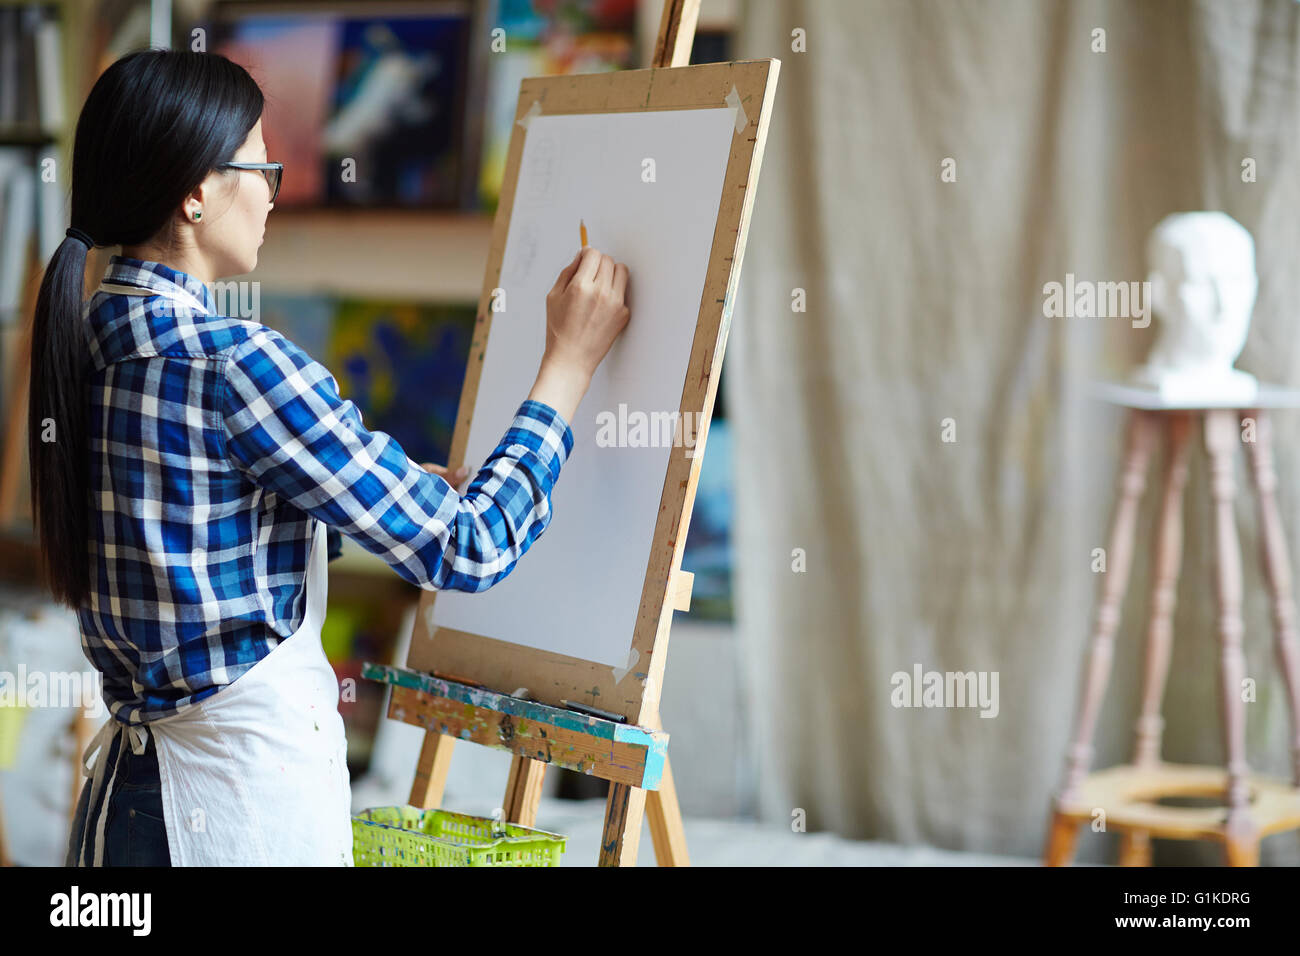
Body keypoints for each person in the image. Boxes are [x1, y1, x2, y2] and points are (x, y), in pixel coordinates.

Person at [28, 49, 630, 866]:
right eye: (260, 165)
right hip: (235, 811)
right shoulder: (237, 365)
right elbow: (469, 545)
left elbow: (199, 535)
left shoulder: (83, 347)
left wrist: (392, 492)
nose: (274, 189)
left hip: (123, 816)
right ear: (197, 194)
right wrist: (569, 365)